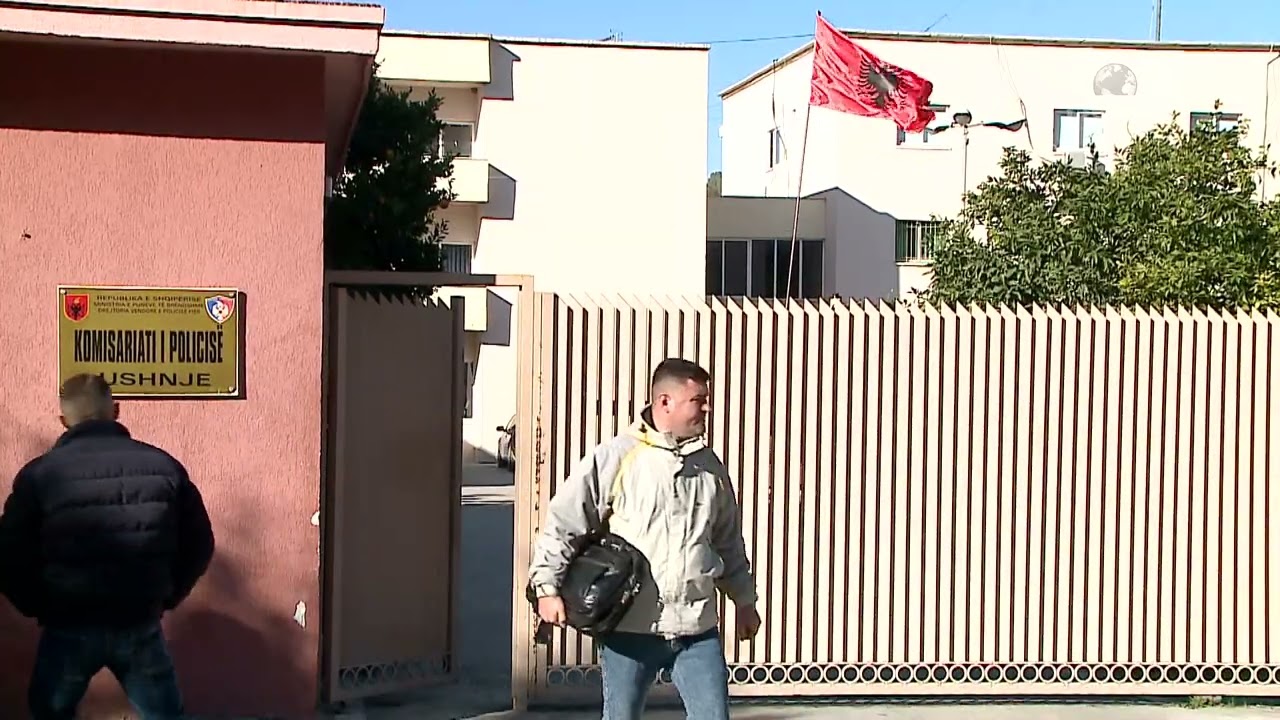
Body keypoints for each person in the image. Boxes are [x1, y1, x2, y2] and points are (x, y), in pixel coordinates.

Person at [529, 358, 760, 720]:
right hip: (630, 629)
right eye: (698, 400)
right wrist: (547, 588)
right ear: (665, 401)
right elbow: (565, 522)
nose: (707, 409)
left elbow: (728, 541)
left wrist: (744, 600)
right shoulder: (618, 456)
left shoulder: (709, 467)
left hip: (696, 629)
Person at [0, 373, 215, 720]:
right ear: (115, 410)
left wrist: (38, 605)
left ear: (64, 421)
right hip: (138, 619)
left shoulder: (39, 475)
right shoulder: (164, 467)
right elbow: (200, 543)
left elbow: (8, 553)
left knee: (50, 713)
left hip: (68, 622)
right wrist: (165, 595)